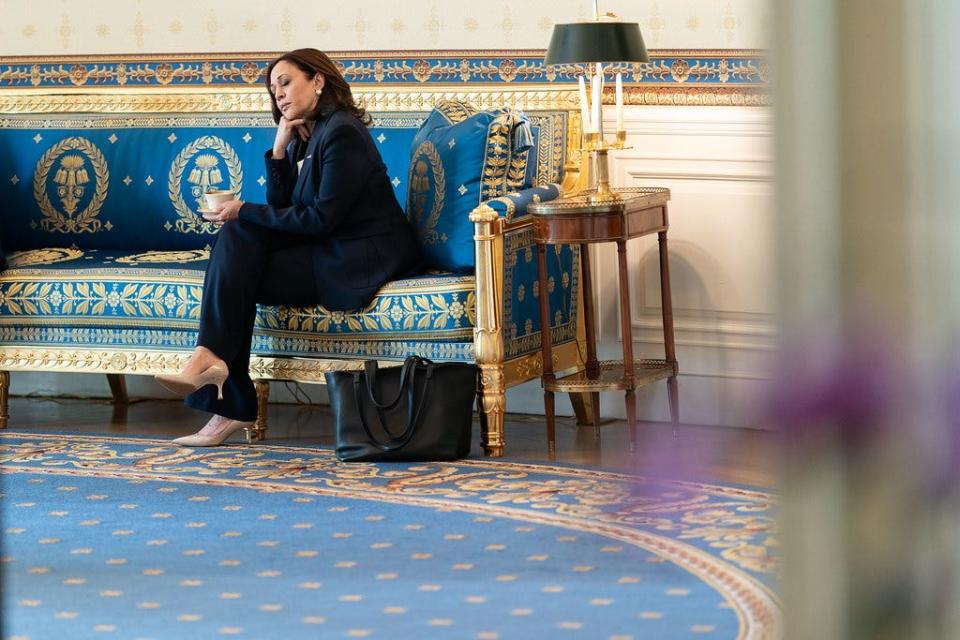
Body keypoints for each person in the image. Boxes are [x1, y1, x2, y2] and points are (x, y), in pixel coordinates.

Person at [156, 48, 422, 446]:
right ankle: (213, 366)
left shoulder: (342, 132)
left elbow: (318, 220)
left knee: (237, 253)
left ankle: (224, 390)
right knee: (236, 245)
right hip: (329, 247)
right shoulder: (307, 132)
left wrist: (243, 209)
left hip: (359, 257)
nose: (278, 94)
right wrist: (279, 150)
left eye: (285, 82)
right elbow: (285, 211)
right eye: (272, 89)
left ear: (317, 81)